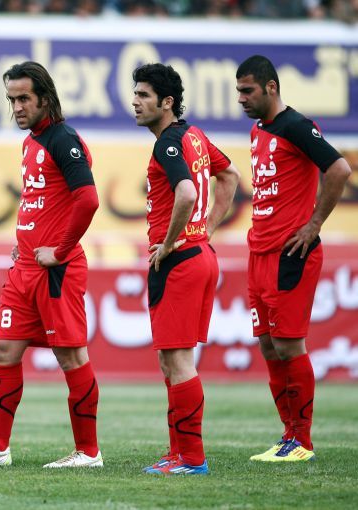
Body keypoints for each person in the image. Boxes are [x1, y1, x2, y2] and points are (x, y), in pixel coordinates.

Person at [0, 61, 102, 468]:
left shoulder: (63, 139)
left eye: (23, 99)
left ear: (45, 98)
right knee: (4, 349)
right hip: (25, 269)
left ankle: (89, 452)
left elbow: (88, 200)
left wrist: (60, 250)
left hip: (56, 272)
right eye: (11, 99)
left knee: (71, 358)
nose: (16, 107)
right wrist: (26, 241)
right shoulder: (31, 142)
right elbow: (42, 200)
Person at [236, 55, 351, 462]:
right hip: (259, 253)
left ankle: (302, 441)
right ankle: (288, 436)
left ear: (271, 87)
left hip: (290, 253)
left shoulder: (297, 126)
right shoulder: (258, 130)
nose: (241, 98)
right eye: (238, 91)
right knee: (268, 346)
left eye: (248, 90)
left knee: (288, 344)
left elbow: (339, 169)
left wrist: (314, 224)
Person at [132, 63, 240, 475]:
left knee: (178, 362)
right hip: (199, 255)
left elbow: (186, 192)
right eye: (135, 93)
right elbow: (229, 176)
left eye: (143, 95)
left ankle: (192, 459)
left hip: (179, 260)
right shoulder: (193, 135)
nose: (135, 102)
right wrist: (205, 229)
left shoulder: (168, 144)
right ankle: (178, 451)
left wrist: (169, 241)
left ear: (167, 102)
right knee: (172, 360)